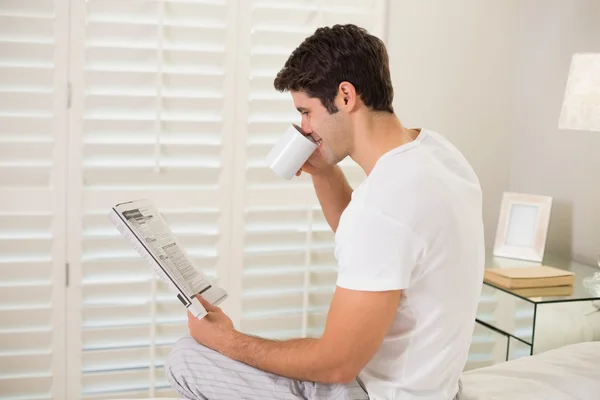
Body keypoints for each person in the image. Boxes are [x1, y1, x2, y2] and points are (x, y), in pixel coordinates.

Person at [165, 24, 485, 400]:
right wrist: (324, 171)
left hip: (376, 392)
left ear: (345, 96)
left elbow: (336, 363)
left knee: (186, 357)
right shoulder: (438, 153)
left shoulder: (384, 207)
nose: (304, 129)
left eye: (306, 112)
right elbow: (381, 248)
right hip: (433, 387)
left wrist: (228, 341)